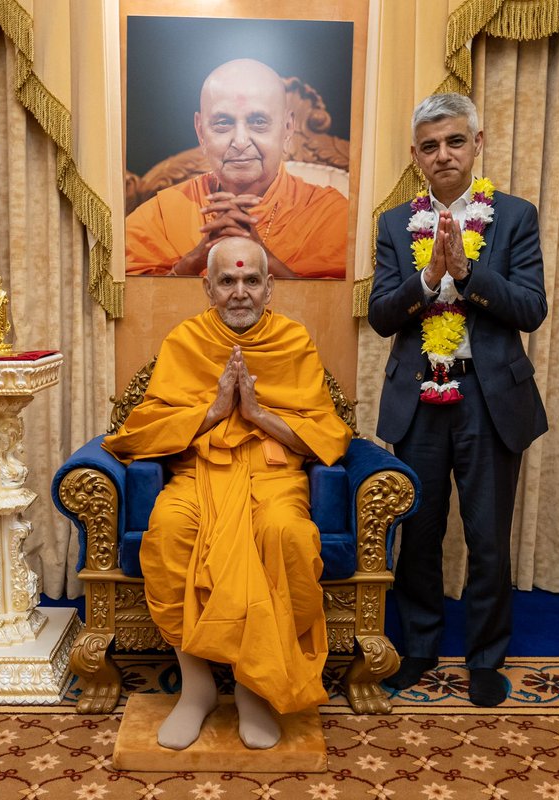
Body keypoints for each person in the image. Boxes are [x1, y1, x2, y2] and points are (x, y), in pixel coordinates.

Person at [103, 237, 351, 749]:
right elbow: (141, 428)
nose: (240, 292)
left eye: (251, 280)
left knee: (284, 534)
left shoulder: (293, 340)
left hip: (273, 474)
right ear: (207, 287)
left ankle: (252, 688)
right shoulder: (186, 341)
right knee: (171, 531)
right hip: (199, 473)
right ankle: (194, 690)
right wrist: (214, 410)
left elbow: (328, 433)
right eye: (228, 280)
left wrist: (258, 415)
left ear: (269, 286)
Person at [368, 93, 548, 707]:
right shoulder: (394, 225)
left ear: (478, 144)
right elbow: (381, 316)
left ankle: (486, 658)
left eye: (454, 141)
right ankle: (418, 648)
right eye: (428, 145)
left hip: (490, 397)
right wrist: (425, 279)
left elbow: (531, 309)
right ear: (415, 157)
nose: (442, 154)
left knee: (488, 536)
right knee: (417, 532)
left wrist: (469, 274)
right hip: (419, 398)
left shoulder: (515, 217)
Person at [124, 58, 348, 279]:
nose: (240, 141)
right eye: (223, 122)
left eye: (258, 121)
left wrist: (263, 259)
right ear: (201, 132)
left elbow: (332, 309)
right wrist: (193, 261)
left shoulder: (329, 214)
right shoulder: (164, 214)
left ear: (287, 127)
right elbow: (135, 303)